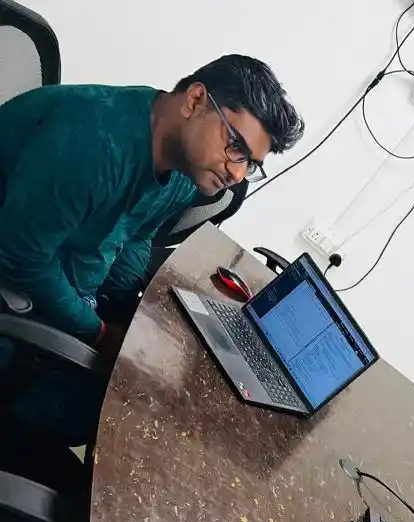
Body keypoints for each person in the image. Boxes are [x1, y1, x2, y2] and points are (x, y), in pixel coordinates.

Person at [0, 54, 304, 444]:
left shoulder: (182, 169)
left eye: (251, 164)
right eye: (236, 147)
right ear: (195, 100)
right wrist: (98, 333)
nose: (237, 173)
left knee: (160, 381)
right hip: (16, 289)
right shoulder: (93, 143)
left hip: (64, 277)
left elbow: (137, 235)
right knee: (113, 415)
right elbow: (23, 260)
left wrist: (134, 306)